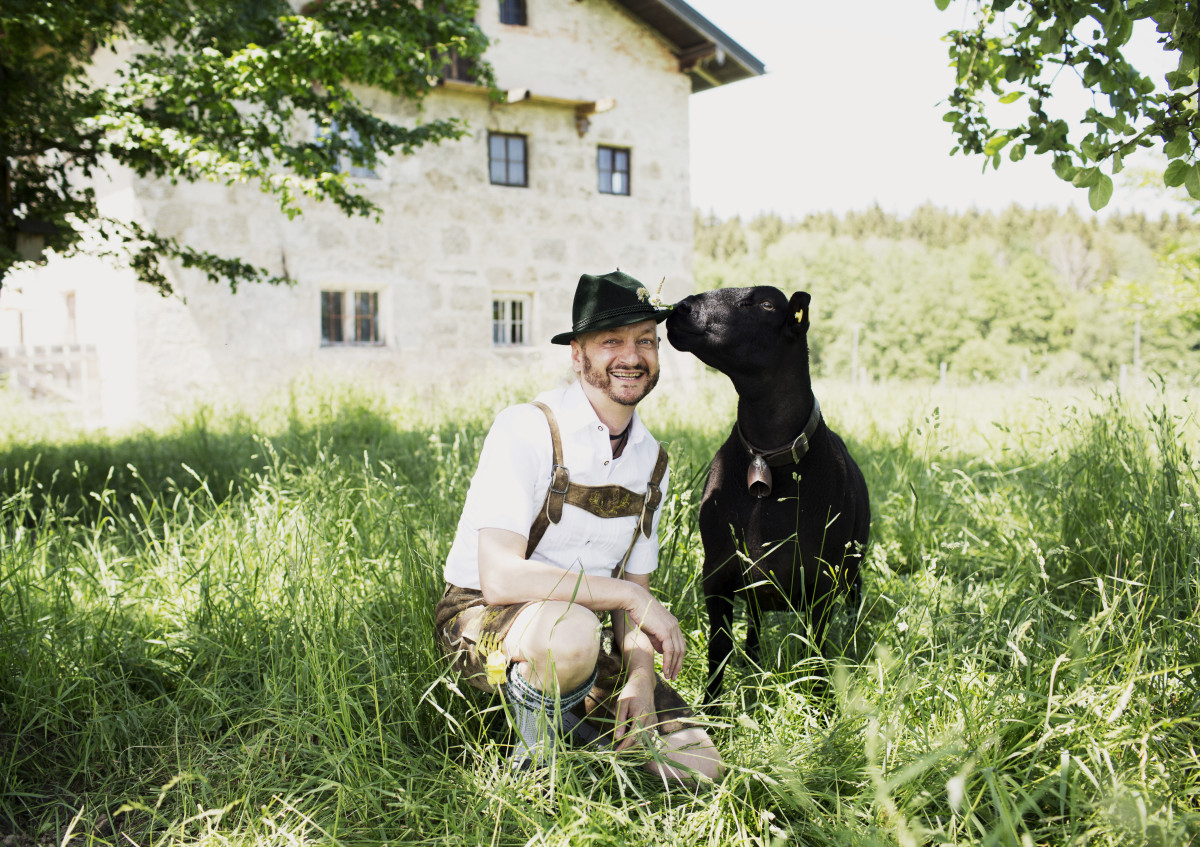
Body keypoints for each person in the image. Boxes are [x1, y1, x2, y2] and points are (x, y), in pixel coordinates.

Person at [435, 270, 722, 783]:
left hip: (580, 635)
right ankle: (536, 766)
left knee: (699, 768)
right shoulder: (527, 427)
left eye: (645, 342)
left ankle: (579, 723)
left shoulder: (652, 460)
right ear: (578, 355)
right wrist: (628, 599)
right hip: (481, 618)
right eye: (612, 341)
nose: (631, 357)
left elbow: (635, 596)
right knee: (572, 633)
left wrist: (638, 672)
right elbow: (501, 577)